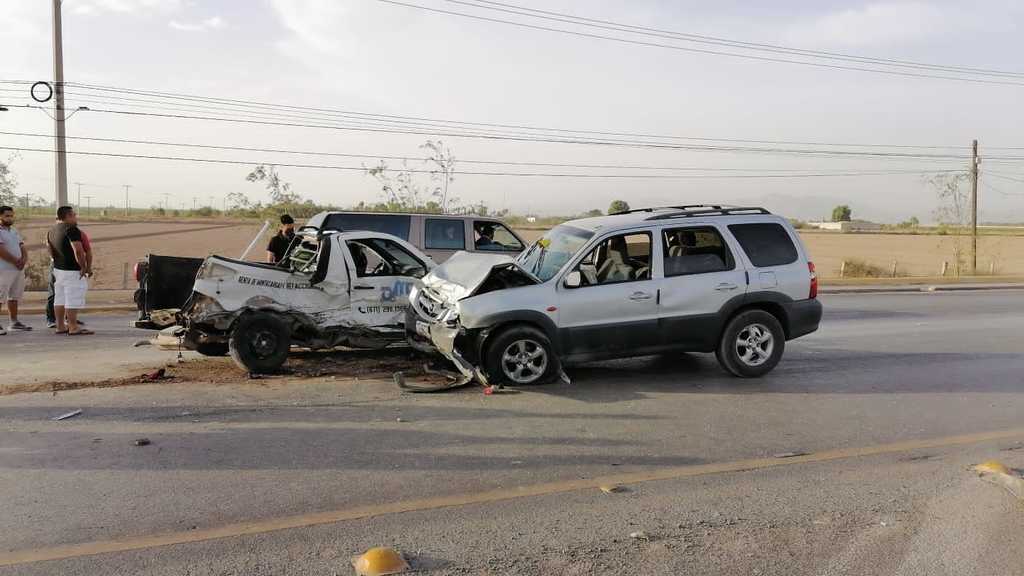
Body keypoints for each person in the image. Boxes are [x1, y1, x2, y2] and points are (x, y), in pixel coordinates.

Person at [47, 206, 92, 335]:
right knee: (73, 297)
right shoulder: (71, 229)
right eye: (74, 215)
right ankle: (73, 327)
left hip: (58, 269)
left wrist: (57, 261)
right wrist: (83, 266)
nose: (76, 217)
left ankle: (60, 326)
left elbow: (49, 249)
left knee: (59, 298)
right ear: (68, 216)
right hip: (72, 270)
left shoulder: (52, 230)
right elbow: (77, 249)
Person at [0, 206, 30, 334]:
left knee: (14, 297)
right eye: (7, 216)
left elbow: (21, 246)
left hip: (17, 269)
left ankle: (14, 322)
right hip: (4, 269)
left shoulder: (14, 231)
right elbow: (1, 250)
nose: (10, 218)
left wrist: (23, 259)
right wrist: (15, 261)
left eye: (11, 215)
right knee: (0, 296)